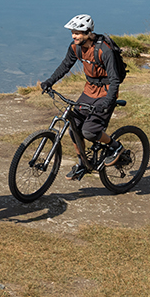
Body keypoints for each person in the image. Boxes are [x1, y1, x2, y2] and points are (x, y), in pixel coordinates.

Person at [38, 14, 125, 179]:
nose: (74, 36)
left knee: (89, 131)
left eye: (77, 33)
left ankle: (115, 147)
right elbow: (65, 65)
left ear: (88, 33)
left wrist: (107, 102)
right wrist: (50, 81)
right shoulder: (75, 47)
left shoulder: (104, 50)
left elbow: (115, 80)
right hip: (89, 91)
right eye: (72, 32)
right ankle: (82, 163)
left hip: (106, 93)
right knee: (73, 126)